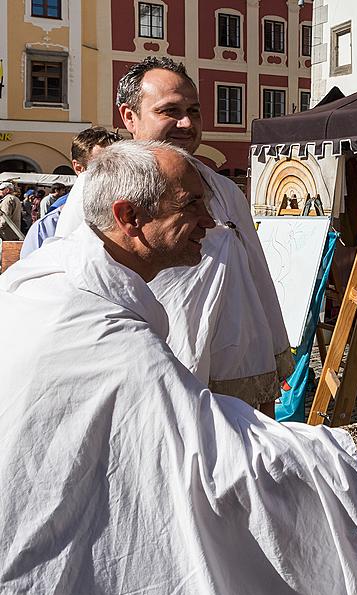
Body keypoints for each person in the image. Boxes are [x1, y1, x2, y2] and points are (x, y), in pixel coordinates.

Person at [0, 140, 357, 595]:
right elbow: (227, 459)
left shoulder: (43, 280)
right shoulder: (110, 338)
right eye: (191, 205)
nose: (210, 221)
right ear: (129, 217)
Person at [54, 57, 292, 416]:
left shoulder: (225, 190)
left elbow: (256, 277)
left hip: (235, 377)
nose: (186, 123)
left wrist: (270, 357)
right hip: (150, 377)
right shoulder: (96, 186)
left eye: (193, 111)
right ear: (129, 117)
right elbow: (75, 285)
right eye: (170, 110)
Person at [21, 126, 120, 258]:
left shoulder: (136, 218)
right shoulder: (46, 228)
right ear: (79, 168)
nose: (115, 173)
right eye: (103, 166)